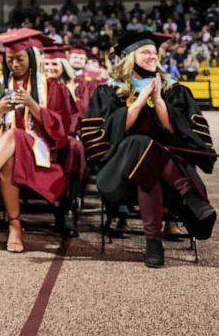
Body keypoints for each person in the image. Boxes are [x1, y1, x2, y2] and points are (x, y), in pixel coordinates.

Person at [82, 31, 216, 268]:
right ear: (128, 57)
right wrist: (139, 102)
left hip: (158, 178)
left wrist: (161, 104)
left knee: (148, 166)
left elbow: (192, 135)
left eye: (154, 52)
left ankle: (153, 243)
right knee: (139, 143)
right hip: (118, 174)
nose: (152, 56)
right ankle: (190, 196)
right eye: (145, 52)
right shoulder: (109, 91)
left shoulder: (175, 91)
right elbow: (95, 140)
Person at [0, 30, 72, 253]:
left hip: (39, 155)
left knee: (14, 135)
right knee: (8, 156)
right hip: (1, 157)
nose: (15, 64)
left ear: (31, 57)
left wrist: (33, 106)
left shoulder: (52, 87)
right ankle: (15, 227)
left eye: (20, 59)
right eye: (10, 60)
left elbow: (62, 130)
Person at [43, 45, 87, 236]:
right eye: (46, 63)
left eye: (54, 63)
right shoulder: (34, 85)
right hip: (38, 136)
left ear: (63, 65)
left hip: (62, 136)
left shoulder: (69, 87)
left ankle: (67, 208)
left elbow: (74, 117)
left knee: (75, 148)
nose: (50, 67)